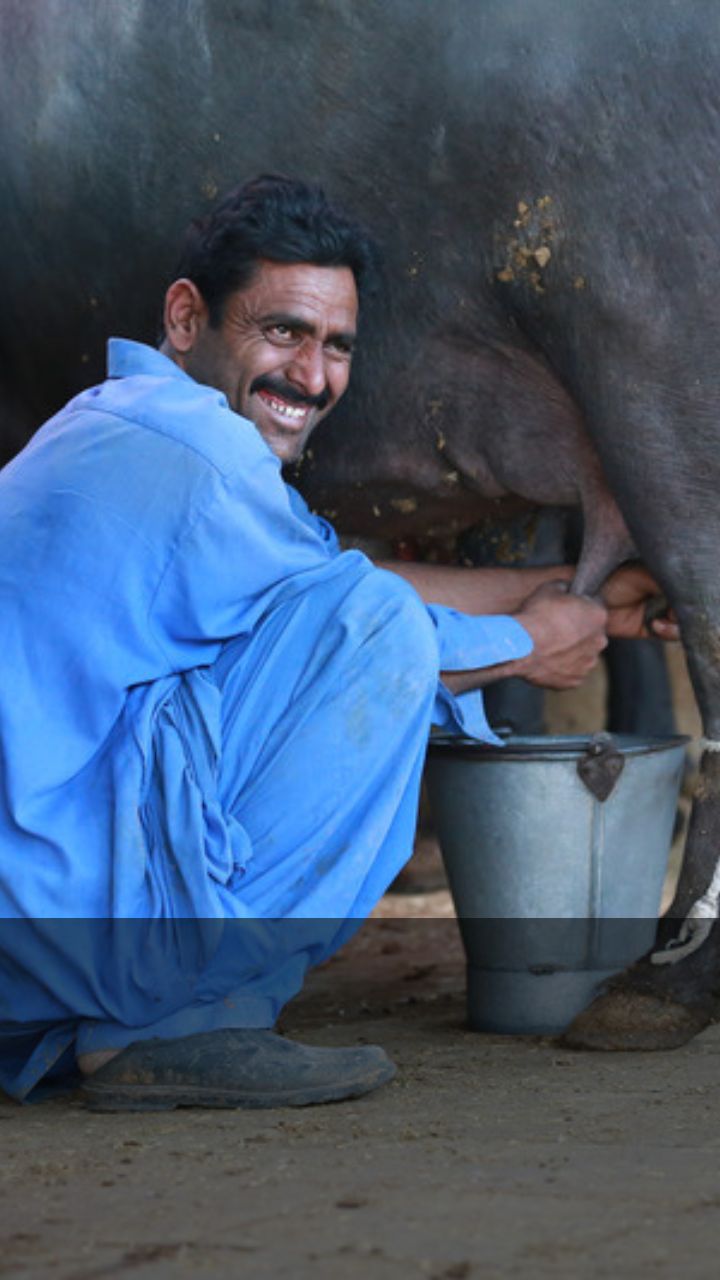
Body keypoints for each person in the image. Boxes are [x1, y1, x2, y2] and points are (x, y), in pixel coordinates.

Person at [0, 175, 675, 1111]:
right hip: (53, 907)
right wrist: (527, 646)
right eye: (282, 332)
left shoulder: (125, 423)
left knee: (371, 619)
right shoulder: (203, 456)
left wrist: (585, 600)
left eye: (337, 346)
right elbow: (373, 626)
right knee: (387, 636)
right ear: (187, 318)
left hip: (32, 908)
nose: (312, 379)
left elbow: (337, 593)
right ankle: (168, 1028)